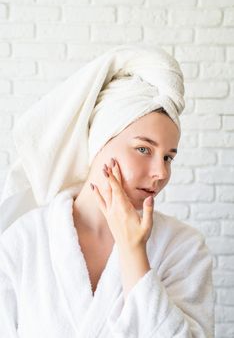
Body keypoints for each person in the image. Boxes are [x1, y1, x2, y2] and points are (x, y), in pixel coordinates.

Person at [0, 44, 214, 337]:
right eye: (143, 149)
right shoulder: (23, 241)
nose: (161, 172)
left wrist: (133, 251)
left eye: (168, 157)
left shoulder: (184, 248)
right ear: (98, 141)